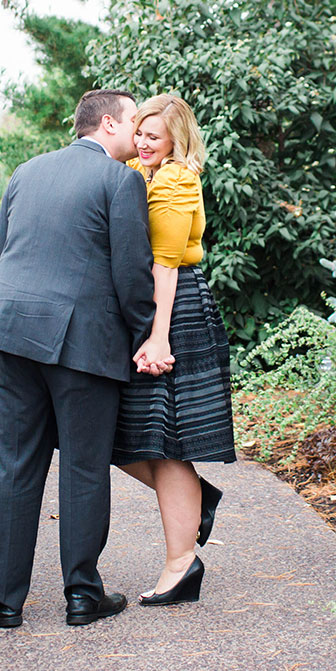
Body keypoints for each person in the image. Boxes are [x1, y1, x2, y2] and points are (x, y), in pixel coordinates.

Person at [0, 89, 167, 628]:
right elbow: (132, 272)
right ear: (108, 124)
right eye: (134, 124)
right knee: (83, 465)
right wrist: (145, 337)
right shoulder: (119, 180)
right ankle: (82, 594)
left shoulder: (25, 171)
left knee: (15, 463)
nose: (139, 134)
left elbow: (6, 249)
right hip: (82, 342)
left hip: (9, 330)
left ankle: (4, 601)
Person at [113, 93, 236, 605]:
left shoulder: (177, 180)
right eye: (138, 132)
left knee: (164, 441)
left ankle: (181, 563)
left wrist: (158, 335)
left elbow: (165, 264)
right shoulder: (142, 175)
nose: (141, 142)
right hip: (153, 306)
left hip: (175, 307)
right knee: (126, 437)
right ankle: (194, 500)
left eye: (153, 136)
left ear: (175, 140)